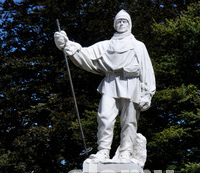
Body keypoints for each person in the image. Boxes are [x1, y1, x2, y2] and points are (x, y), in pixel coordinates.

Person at [54, 10, 156, 163]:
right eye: (119, 21)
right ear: (115, 24)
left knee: (129, 121)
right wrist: (67, 45)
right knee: (104, 117)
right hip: (110, 83)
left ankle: (126, 152)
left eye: (125, 21)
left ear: (130, 24)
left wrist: (147, 93)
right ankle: (103, 151)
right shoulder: (106, 45)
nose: (122, 24)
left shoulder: (138, 46)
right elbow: (85, 54)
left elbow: (146, 70)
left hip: (132, 84)